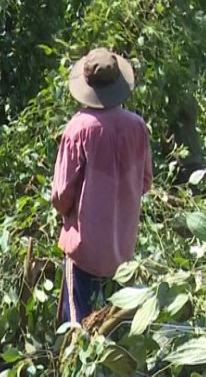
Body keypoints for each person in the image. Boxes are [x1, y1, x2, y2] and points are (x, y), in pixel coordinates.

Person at [52, 48, 153, 325]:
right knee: (113, 330)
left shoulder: (79, 129)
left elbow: (61, 196)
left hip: (84, 249)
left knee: (76, 329)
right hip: (123, 251)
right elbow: (145, 182)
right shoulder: (138, 127)